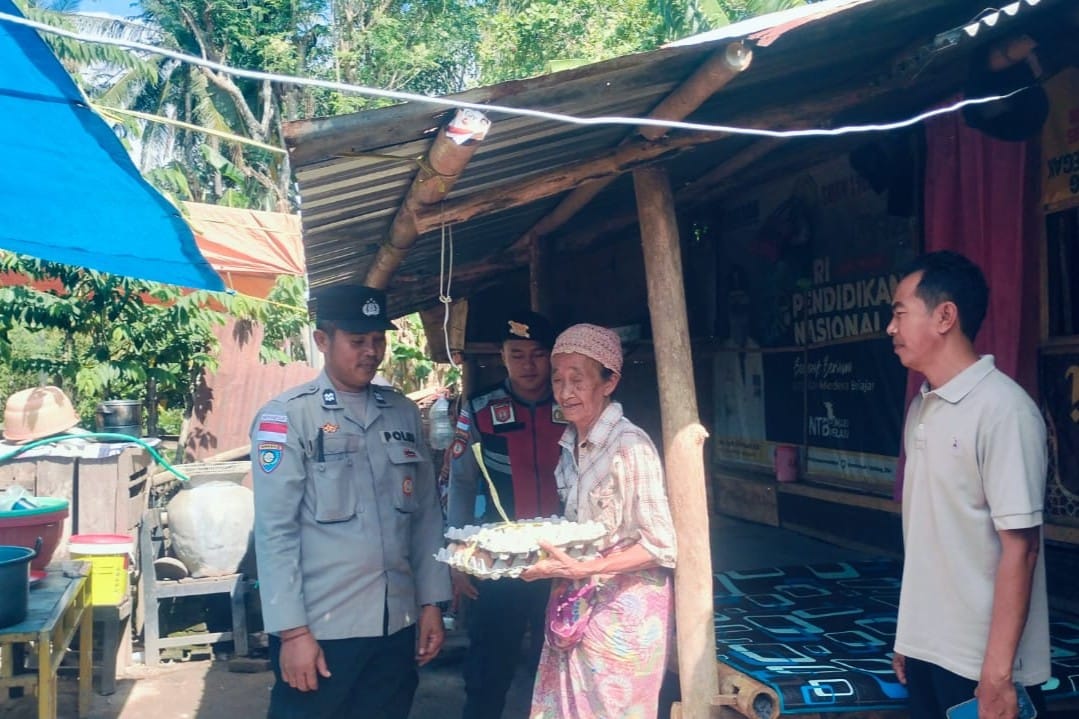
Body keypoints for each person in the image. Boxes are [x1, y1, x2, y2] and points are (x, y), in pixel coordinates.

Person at [250, 284, 451, 719]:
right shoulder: (287, 417)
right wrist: (293, 632)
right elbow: (275, 532)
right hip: (323, 629)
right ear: (323, 341)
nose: (371, 351)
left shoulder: (399, 411)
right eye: (357, 341)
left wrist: (432, 603)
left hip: (396, 624)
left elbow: (426, 517)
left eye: (378, 340)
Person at [886, 251, 1050, 719]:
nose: (891, 329)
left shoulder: (1004, 410)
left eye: (900, 314)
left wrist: (997, 676)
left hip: (983, 663)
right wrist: (909, 636)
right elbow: (929, 540)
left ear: (945, 316)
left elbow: (1022, 549)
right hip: (926, 652)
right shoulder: (921, 407)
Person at [521, 323, 677, 719]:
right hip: (578, 602)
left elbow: (661, 544)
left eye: (578, 379)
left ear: (609, 383)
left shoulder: (630, 446)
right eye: (558, 379)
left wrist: (587, 567)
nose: (565, 391)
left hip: (625, 616)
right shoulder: (571, 444)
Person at [446, 310, 563, 719]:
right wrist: (457, 557)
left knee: (559, 660)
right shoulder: (479, 409)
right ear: (502, 355)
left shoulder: (573, 404)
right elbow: (460, 484)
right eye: (518, 354)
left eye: (538, 354)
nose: (529, 365)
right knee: (488, 667)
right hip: (499, 562)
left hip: (562, 560)